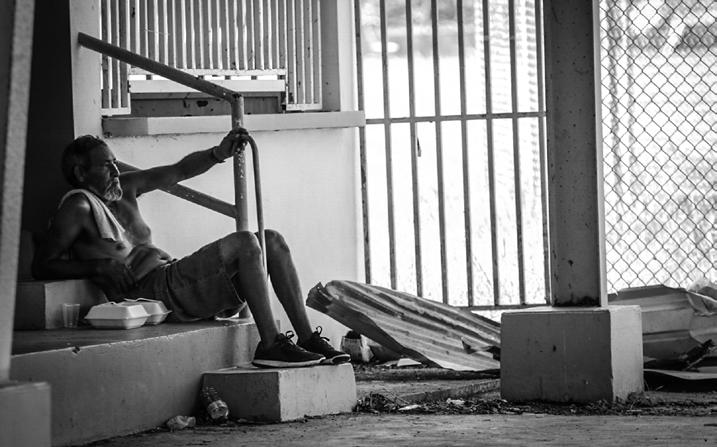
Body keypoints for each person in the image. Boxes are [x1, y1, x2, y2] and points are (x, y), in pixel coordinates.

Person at [33, 128, 350, 368]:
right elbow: (42, 264)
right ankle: (270, 345)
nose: (116, 172)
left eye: (115, 163)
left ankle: (308, 338)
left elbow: (179, 170)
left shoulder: (126, 188)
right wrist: (97, 266)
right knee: (245, 242)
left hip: (173, 279)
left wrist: (218, 152)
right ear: (81, 173)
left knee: (272, 241)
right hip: (149, 293)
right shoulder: (78, 205)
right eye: (106, 166)